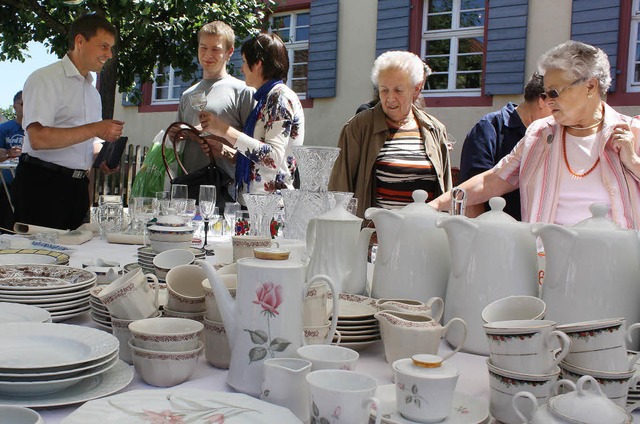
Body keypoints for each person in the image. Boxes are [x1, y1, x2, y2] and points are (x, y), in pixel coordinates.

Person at [429, 40, 640, 229]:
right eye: (545, 93)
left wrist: (633, 162)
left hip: (613, 264)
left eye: (555, 92)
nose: (548, 101)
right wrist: (435, 205)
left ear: (590, 86)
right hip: (548, 262)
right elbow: (492, 180)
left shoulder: (633, 132)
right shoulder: (539, 134)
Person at [13, 13, 124, 230]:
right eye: (103, 46)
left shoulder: (92, 93)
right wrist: (96, 128)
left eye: (111, 48)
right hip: (43, 185)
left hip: (77, 188)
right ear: (80, 41)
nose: (109, 54)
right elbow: (38, 138)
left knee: (74, 259)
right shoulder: (45, 79)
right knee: (38, 260)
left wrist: (101, 158)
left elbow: (83, 143)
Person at [328, 50, 452, 218]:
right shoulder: (359, 127)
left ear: (416, 88)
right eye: (384, 90)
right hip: (376, 237)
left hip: (425, 236)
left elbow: (446, 192)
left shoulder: (434, 130)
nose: (390, 98)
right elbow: (339, 191)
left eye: (398, 90)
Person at [198, 33, 305, 195]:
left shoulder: (279, 98)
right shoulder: (268, 98)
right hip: (259, 203)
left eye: (244, 62)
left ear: (258, 64)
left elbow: (274, 157)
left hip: (270, 207)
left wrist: (225, 130)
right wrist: (226, 151)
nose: (242, 68)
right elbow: (259, 157)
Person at [170, 21, 255, 199]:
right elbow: (179, 146)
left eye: (215, 49)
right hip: (189, 188)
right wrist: (176, 134)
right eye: (203, 48)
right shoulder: (187, 94)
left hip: (226, 191)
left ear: (229, 52)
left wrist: (222, 145)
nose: (208, 55)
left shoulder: (243, 91)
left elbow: (254, 148)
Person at [458, 73, 551, 219]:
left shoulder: (551, 133)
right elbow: (472, 197)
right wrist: (479, 236)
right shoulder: (489, 127)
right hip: (497, 233)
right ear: (542, 101)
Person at [0, 90, 24, 229]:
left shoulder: (40, 130)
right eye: (23, 104)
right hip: (6, 185)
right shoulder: (4, 129)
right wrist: (8, 153)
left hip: (31, 185)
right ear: (14, 106)